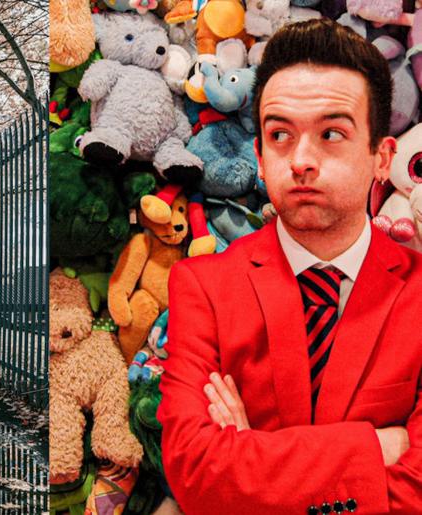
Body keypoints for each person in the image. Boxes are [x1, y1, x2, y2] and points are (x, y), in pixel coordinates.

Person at [158, 18, 422, 514]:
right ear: (259, 156)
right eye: (280, 134)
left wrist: (248, 456)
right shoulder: (203, 287)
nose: (301, 159)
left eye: (331, 133)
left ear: (381, 157)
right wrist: (375, 448)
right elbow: (195, 473)